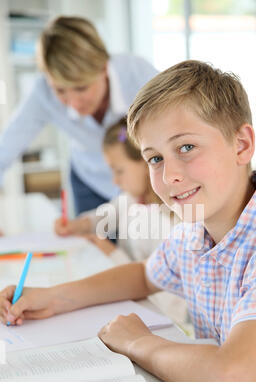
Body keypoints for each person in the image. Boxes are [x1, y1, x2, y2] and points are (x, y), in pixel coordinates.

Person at [0, 60, 256, 382]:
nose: (169, 176)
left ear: (241, 144)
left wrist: (138, 342)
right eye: (155, 158)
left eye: (186, 147)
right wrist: (54, 298)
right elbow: (144, 274)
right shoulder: (198, 226)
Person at [0, 16, 157, 215]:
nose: (73, 103)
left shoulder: (138, 74)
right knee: (90, 242)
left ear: (103, 68)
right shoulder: (42, 93)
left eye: (81, 88)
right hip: (90, 183)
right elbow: (4, 149)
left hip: (142, 183)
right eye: (60, 90)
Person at [54, 117, 187, 324]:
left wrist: (112, 254)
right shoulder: (131, 200)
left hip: (164, 319)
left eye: (119, 171)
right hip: (131, 304)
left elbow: (160, 293)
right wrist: (78, 225)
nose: (115, 180)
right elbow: (103, 217)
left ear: (146, 163)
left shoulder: (169, 221)